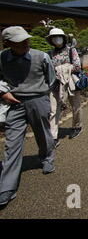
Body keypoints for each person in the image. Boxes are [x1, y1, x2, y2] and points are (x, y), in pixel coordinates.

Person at [0, 26, 56, 206]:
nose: (26, 43)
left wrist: (42, 95)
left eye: (26, 39)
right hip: (13, 102)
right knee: (12, 143)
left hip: (38, 100)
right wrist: (3, 93)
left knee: (43, 133)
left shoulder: (41, 56)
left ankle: (47, 158)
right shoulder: (2, 58)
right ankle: (7, 187)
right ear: (7, 43)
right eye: (19, 41)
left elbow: (51, 78)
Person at [47, 28, 83, 144]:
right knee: (53, 110)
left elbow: (77, 66)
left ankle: (77, 126)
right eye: (54, 37)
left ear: (63, 38)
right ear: (51, 40)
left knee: (76, 106)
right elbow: (48, 70)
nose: (57, 39)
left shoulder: (71, 51)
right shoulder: (49, 54)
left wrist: (59, 70)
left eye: (59, 37)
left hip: (70, 83)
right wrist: (62, 69)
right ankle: (53, 137)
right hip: (55, 85)